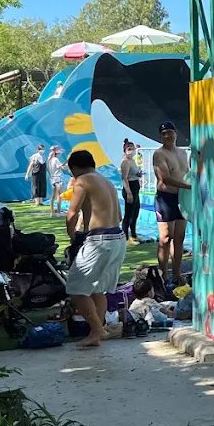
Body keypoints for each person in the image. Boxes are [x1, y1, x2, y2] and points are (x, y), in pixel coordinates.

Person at [62, 149, 127, 348]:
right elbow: (120, 216)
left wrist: (72, 233)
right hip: (118, 237)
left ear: (74, 169)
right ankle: (97, 331)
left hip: (100, 240)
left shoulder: (82, 181)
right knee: (98, 289)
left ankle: (98, 329)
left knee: (75, 288)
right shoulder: (106, 181)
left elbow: (72, 213)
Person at [153, 121, 191, 286]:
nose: (168, 136)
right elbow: (165, 178)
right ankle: (164, 276)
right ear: (161, 137)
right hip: (166, 198)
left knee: (179, 238)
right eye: (164, 134)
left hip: (181, 198)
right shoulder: (159, 154)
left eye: (170, 132)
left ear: (175, 133)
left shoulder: (183, 153)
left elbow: (188, 173)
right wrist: (189, 186)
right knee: (165, 238)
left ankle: (177, 274)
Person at [120, 141, 144, 244]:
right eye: (129, 149)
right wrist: (129, 193)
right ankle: (125, 238)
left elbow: (133, 174)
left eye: (132, 148)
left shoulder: (132, 161)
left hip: (135, 187)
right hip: (129, 188)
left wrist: (138, 174)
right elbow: (124, 178)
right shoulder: (125, 162)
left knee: (135, 212)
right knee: (128, 214)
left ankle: (133, 235)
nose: (131, 151)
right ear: (125, 151)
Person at [47, 146, 66, 217]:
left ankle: (52, 212)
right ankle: (58, 212)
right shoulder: (55, 159)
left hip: (52, 179)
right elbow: (61, 167)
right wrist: (66, 163)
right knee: (59, 196)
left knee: (53, 196)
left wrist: (64, 165)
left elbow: (61, 167)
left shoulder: (49, 160)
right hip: (58, 178)